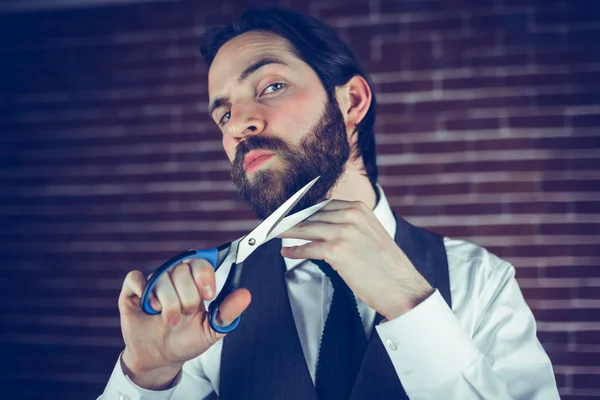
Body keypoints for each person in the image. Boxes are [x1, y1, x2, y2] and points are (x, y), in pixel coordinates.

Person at [99, 7, 560, 400]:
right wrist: (146, 375)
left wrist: (411, 305)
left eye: (270, 86)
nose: (238, 123)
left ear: (352, 101)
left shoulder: (481, 280)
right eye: (223, 113)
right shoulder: (207, 295)